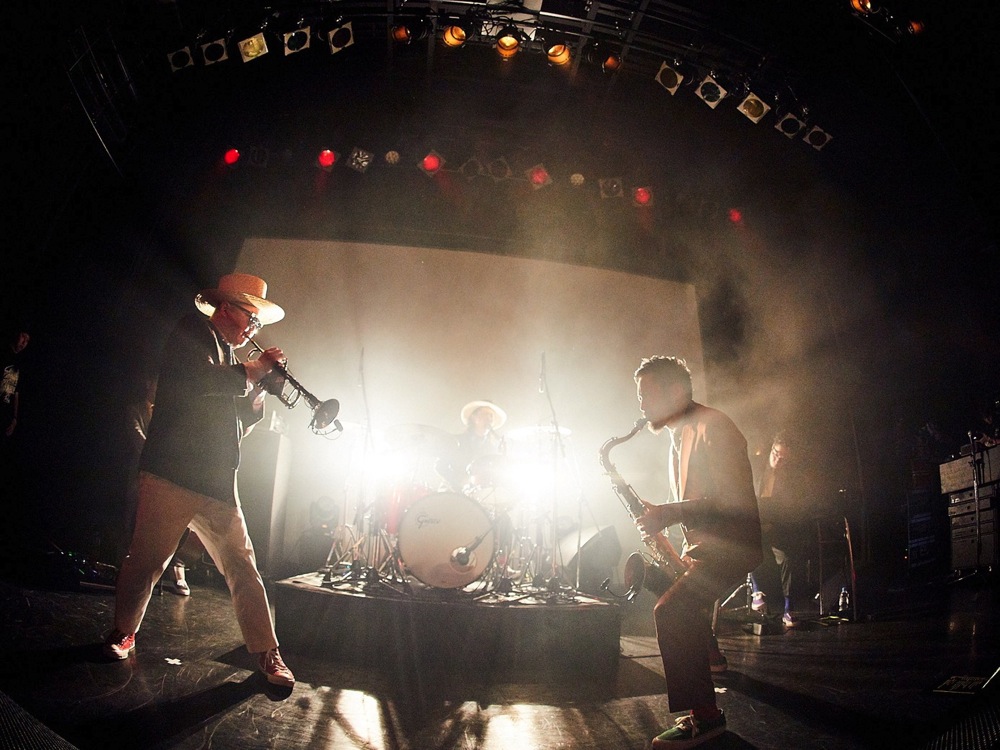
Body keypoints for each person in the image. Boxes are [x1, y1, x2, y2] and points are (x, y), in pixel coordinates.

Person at [103, 272, 295, 689]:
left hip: (216, 478)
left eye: (257, 322)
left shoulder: (231, 356)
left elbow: (240, 422)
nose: (253, 329)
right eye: (251, 318)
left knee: (243, 566)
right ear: (225, 308)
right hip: (172, 472)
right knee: (147, 561)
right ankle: (123, 632)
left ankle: (267, 652)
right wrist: (253, 370)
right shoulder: (192, 332)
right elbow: (195, 383)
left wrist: (261, 389)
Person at [632, 356, 762, 748]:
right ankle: (711, 657)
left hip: (732, 547)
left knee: (672, 611)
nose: (640, 404)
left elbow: (730, 500)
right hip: (708, 547)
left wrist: (668, 513)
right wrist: (666, 521)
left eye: (647, 394)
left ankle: (706, 718)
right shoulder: (680, 434)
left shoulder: (713, 426)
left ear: (677, 392)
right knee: (679, 605)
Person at [749, 432, 804, 627]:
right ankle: (757, 592)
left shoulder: (789, 479)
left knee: (788, 557)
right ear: (771, 448)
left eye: (782, 458)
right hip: (753, 523)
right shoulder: (755, 466)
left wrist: (773, 523)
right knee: (749, 547)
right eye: (775, 453)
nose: (777, 460)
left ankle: (789, 608)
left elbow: (788, 509)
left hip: (774, 527)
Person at [435, 400, 507, 493]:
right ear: (474, 417)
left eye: (491, 415)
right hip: (451, 493)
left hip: (478, 496)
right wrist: (457, 483)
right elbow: (440, 466)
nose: (489, 418)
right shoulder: (456, 441)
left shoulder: (491, 449)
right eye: (486, 414)